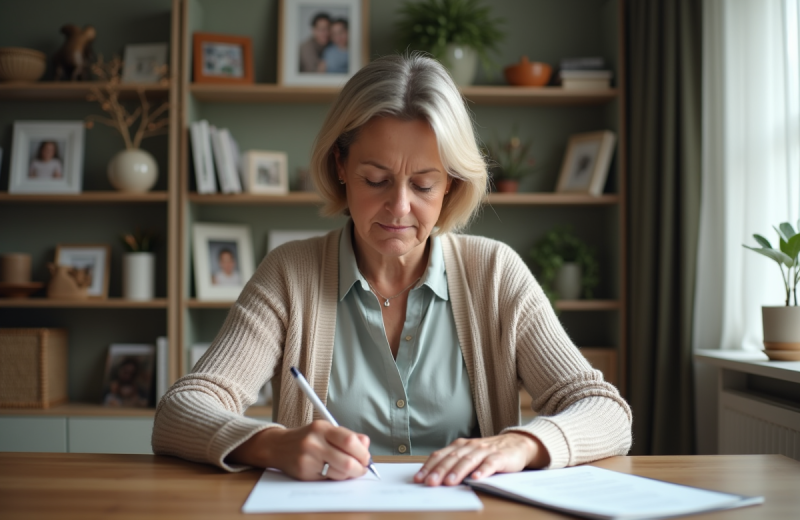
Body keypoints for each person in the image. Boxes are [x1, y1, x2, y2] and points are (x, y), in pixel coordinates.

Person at [152, 54, 631, 486]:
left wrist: (521, 444)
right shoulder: (290, 274)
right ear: (341, 165)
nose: (399, 207)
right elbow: (179, 411)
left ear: (451, 184)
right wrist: (273, 445)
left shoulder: (495, 274)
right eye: (376, 179)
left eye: (423, 185)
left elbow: (606, 411)